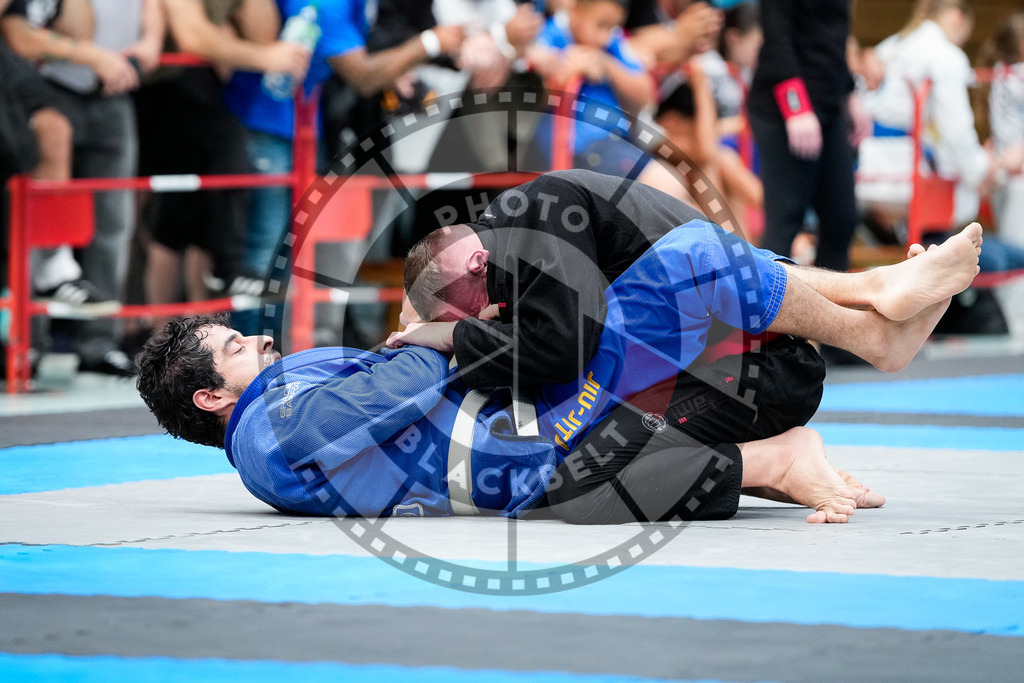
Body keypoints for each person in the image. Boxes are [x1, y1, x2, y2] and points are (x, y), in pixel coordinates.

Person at [139, 201, 982, 523]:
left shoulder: (279, 414)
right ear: (212, 397)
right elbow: (395, 384)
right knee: (679, 267)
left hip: (528, 415)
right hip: (533, 434)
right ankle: (853, 349)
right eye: (235, 348)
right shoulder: (272, 427)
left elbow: (385, 384)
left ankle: (871, 310)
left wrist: (435, 338)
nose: (260, 341)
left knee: (677, 259)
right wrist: (437, 339)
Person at [2, 0, 164, 375]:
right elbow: (20, 31)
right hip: (50, 85)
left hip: (113, 89)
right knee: (40, 219)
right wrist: (93, 55)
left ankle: (98, 343)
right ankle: (29, 343)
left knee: (113, 224)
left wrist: (152, 38)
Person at [747, 0, 870, 271]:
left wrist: (849, 93)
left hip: (827, 104)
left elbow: (833, 35)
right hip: (782, 108)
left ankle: (829, 298)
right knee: (786, 220)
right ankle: (769, 298)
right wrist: (796, 106)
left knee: (842, 219)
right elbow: (777, 35)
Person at [857, 0, 996, 228]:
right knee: (967, 197)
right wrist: (981, 169)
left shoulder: (891, 45)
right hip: (900, 174)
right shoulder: (945, 55)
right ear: (957, 17)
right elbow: (956, 129)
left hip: (863, 167)